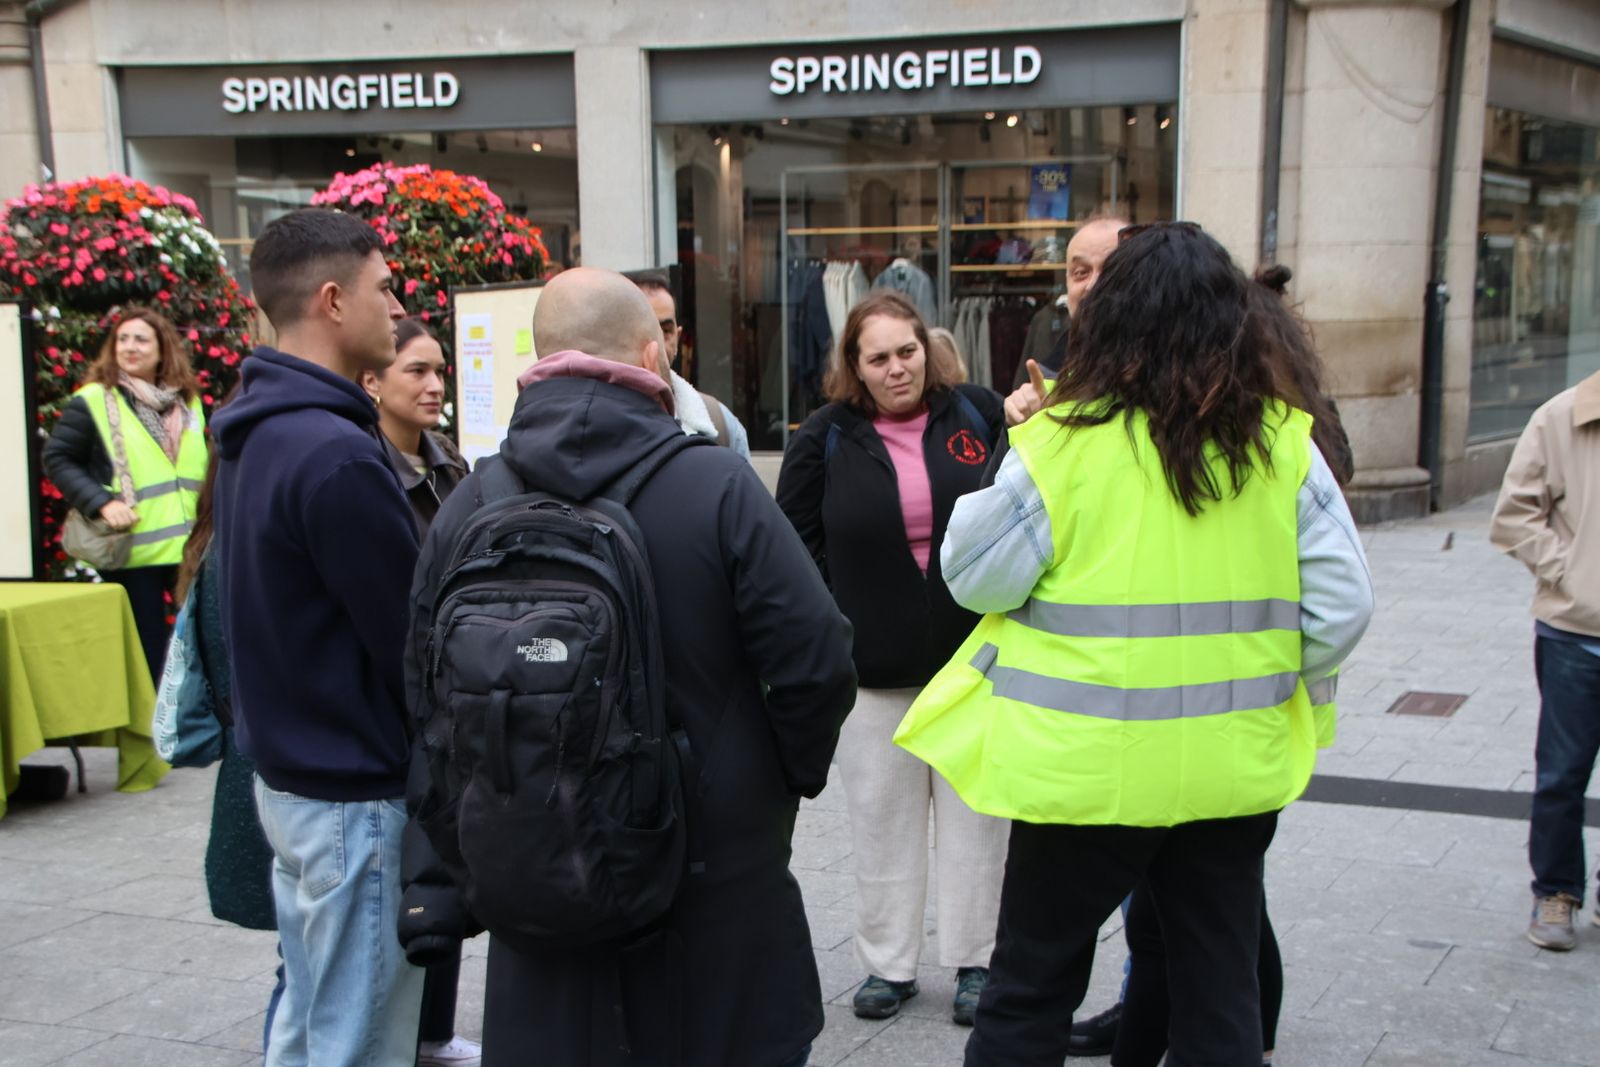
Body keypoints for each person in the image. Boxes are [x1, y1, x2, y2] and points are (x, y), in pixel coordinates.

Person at [894, 223, 1375, 1066]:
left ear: (1109, 319)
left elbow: (974, 577)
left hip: (1083, 776)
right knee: (1218, 986)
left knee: (1032, 987)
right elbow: (1343, 610)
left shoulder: (1065, 443)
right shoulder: (1282, 443)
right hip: (1230, 770)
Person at [404, 267, 857, 1066]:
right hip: (711, 894)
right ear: (653, 360)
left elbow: (424, 693)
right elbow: (817, 653)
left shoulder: (471, 507)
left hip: (540, 881)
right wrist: (775, 777)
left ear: (534, 362)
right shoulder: (717, 483)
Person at [1081, 262, 1358, 1067]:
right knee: (1208, 926)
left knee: (1202, 930)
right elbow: (1337, 603)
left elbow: (1332, 601)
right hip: (1243, 732)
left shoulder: (1251, 432)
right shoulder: (1269, 425)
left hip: (1195, 731)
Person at [211, 207, 424, 1067]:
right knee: (354, 1041)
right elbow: (410, 639)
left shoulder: (255, 430)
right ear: (333, 301)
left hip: (295, 781)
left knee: (307, 1025)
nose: (397, 305)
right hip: (348, 792)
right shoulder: (331, 450)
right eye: (384, 289)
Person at [776, 290, 1009, 1026]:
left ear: (927, 346)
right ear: (855, 365)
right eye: (877, 357)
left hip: (975, 665)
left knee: (979, 820)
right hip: (872, 677)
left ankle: (978, 962)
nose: (896, 367)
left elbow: (1020, 511)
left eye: (906, 350)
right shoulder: (825, 436)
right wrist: (836, 615)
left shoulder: (978, 412)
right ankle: (888, 966)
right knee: (881, 820)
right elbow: (793, 540)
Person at [358, 317, 477, 1067]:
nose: (435, 386)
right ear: (373, 380)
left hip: (452, 701)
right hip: (391, 704)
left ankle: (434, 1031)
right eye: (416, 371)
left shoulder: (452, 466)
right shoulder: (363, 471)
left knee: (447, 860)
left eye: (440, 371)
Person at [172, 399, 283, 1056]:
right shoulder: (232, 550)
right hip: (270, 773)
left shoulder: (215, 538)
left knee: (299, 959)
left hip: (254, 768)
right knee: (302, 966)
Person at [1489, 365, 1600, 952]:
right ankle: (1555, 892)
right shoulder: (1560, 417)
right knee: (1562, 775)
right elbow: (1513, 516)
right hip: (1575, 633)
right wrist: (1574, 574)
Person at [43, 306, 207, 681]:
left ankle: (201, 731)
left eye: (141, 339)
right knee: (152, 656)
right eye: (122, 339)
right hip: (134, 551)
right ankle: (157, 736)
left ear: (163, 349)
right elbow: (58, 456)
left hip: (190, 548)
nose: (130, 347)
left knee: (201, 647)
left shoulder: (188, 403)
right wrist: (101, 503)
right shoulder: (93, 400)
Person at [1001, 215, 1127, 423]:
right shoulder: (1045, 376)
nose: (1093, 285)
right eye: (1081, 272)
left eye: (1111, 270)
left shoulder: (1177, 379)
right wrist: (1017, 423)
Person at [628, 270, 752, 458]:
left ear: (678, 336)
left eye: (666, 330)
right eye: (646, 329)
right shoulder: (594, 427)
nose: (658, 343)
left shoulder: (721, 425)